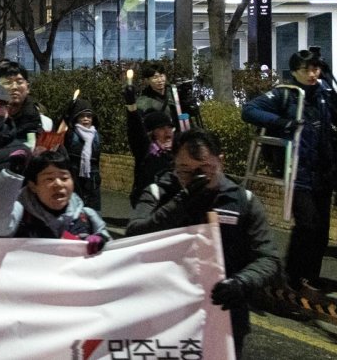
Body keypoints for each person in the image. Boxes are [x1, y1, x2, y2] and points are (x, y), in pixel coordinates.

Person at [127, 129, 279, 356]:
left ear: (221, 161)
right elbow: (133, 236)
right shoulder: (159, 193)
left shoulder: (242, 201)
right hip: (164, 316)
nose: (195, 178)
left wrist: (242, 282)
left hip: (223, 316)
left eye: (204, 169)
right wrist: (180, 204)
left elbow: (269, 257)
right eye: (185, 170)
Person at [241, 49, 335, 291]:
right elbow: (249, 110)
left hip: (323, 172)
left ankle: (309, 278)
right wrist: (283, 123)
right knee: (306, 225)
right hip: (297, 172)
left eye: (315, 69)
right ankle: (291, 277)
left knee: (321, 230)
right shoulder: (286, 94)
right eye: (306, 70)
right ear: (294, 72)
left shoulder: (325, 94)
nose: (313, 74)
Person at [0, 149, 110, 252]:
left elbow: (114, 255)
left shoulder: (87, 216)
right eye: (49, 179)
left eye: (64, 178)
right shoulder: (20, 215)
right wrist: (13, 174)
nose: (58, 184)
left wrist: (102, 240)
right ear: (33, 186)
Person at [126, 108, 176, 208]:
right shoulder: (146, 152)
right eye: (161, 129)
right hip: (148, 205)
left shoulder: (177, 153)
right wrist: (132, 110)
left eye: (169, 128)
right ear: (151, 133)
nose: (168, 133)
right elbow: (137, 133)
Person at [61, 97, 102, 211]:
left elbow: (97, 159)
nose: (85, 119)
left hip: (92, 178)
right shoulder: (71, 134)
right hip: (74, 175)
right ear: (76, 118)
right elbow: (60, 127)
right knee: (74, 209)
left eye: (88, 116)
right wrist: (67, 111)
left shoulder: (97, 136)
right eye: (82, 116)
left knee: (93, 212)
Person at [0, 66, 50, 148]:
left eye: (19, 82)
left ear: (28, 88)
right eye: (8, 83)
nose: (14, 87)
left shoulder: (45, 123)